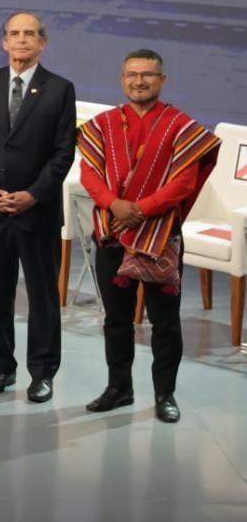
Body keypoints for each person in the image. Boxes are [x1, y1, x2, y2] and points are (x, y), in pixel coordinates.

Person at [77, 50, 219, 424]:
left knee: (165, 323)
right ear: (122, 79)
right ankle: (119, 388)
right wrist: (113, 204)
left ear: (162, 80)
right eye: (131, 75)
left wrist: (139, 209)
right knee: (116, 319)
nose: (139, 81)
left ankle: (165, 394)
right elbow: (90, 173)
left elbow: (183, 183)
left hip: (161, 237)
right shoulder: (103, 125)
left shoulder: (181, 127)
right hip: (112, 234)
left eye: (147, 75)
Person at [0, 10, 76, 403]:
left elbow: (63, 153)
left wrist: (33, 194)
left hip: (37, 211)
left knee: (43, 295)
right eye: (15, 34)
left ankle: (42, 373)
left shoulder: (60, 89)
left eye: (30, 34)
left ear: (42, 43)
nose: (22, 40)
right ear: (4, 42)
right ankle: (1, 367)